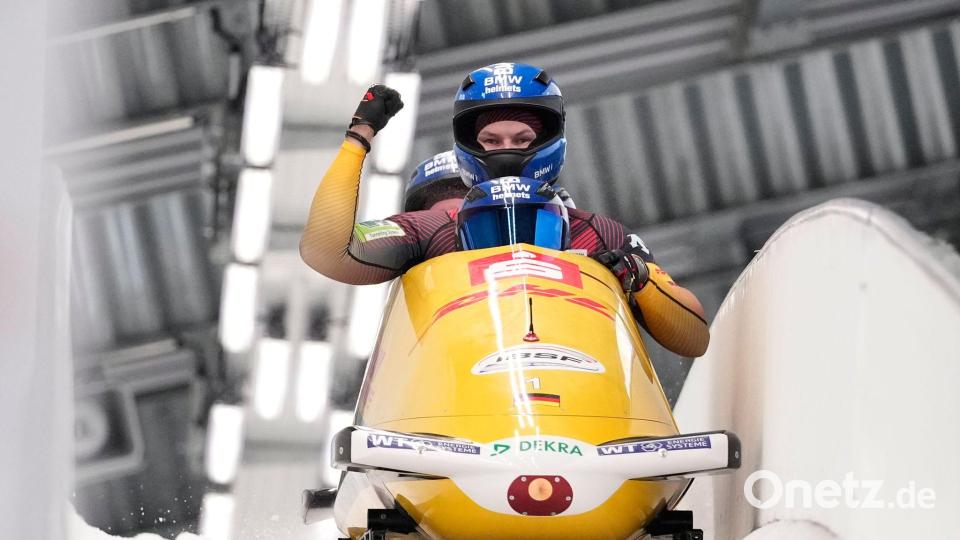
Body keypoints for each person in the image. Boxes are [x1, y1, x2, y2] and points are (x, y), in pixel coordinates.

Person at [301, 63, 709, 357]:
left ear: (548, 140)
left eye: (522, 137)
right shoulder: (429, 229)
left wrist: (639, 280)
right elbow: (327, 252)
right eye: (492, 140)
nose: (507, 150)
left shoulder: (600, 233)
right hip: (459, 388)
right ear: (469, 145)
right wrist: (358, 138)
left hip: (580, 382)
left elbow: (693, 338)